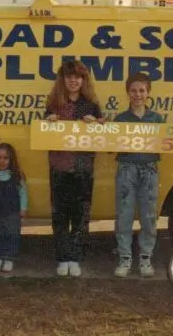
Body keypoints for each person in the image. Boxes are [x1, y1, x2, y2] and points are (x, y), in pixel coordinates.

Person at [45, 59, 104, 277]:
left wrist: (97, 124)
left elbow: (102, 136)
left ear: (83, 80)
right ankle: (62, 257)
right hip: (59, 167)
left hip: (83, 169)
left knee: (80, 216)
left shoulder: (91, 105)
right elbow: (43, 134)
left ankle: (75, 257)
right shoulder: (53, 105)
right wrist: (49, 122)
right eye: (69, 77)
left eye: (77, 77)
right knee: (60, 215)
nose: (73, 81)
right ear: (62, 80)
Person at [113, 72, 164, 277]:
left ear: (148, 92)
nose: (138, 94)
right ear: (128, 93)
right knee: (124, 215)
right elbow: (109, 145)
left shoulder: (157, 119)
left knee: (149, 216)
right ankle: (125, 258)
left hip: (149, 169)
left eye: (142, 90)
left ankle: (145, 259)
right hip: (126, 169)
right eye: (133, 90)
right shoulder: (120, 119)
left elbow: (169, 143)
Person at [0, 142, 28, 273]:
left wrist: (23, 209)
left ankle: (9, 258)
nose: (2, 161)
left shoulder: (17, 176)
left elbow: (23, 193)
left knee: (12, 235)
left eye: (5, 158)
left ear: (11, 159)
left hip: (12, 213)